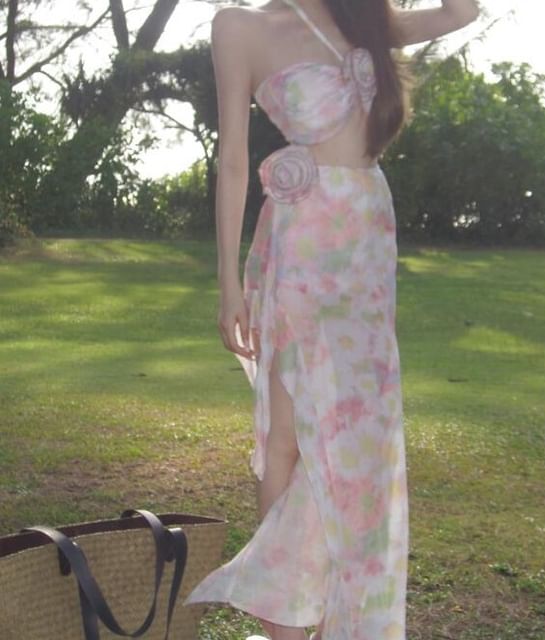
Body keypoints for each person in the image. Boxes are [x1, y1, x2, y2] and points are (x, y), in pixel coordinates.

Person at [183, 1, 480, 639]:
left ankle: (343, 610)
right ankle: (288, 624)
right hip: (302, 241)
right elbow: (232, 159)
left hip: (367, 233)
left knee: (360, 435)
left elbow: (463, 12)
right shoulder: (241, 27)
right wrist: (229, 282)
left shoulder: (368, 18)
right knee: (290, 434)